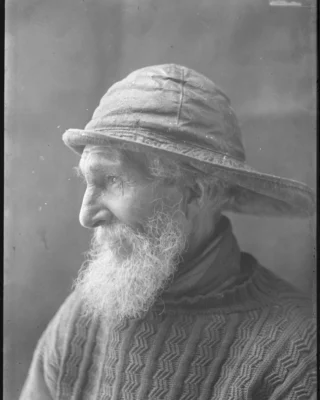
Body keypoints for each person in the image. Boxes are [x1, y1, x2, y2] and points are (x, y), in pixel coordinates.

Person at [20, 64, 316, 400]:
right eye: (88, 182)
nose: (86, 216)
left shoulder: (295, 352)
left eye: (112, 180)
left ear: (195, 192)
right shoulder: (82, 317)